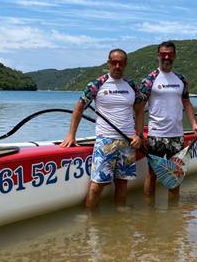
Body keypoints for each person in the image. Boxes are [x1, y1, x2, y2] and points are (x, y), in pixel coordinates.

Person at [60, 48, 145, 209]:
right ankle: (90, 221)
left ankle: (120, 220)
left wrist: (139, 135)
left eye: (121, 63)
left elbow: (140, 111)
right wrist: (71, 135)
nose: (117, 66)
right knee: (97, 185)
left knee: (122, 184)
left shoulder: (132, 85)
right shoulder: (96, 84)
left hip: (128, 142)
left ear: (125, 64)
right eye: (114, 62)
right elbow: (78, 108)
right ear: (108, 63)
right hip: (105, 141)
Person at [138, 41, 197, 199]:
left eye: (170, 54)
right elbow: (139, 109)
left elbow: (186, 102)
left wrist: (194, 124)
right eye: (163, 54)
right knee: (152, 175)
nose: (167, 57)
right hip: (156, 136)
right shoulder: (150, 79)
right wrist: (139, 133)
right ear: (158, 55)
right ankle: (149, 213)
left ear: (174, 56)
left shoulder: (181, 79)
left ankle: (175, 214)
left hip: (177, 136)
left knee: (175, 175)